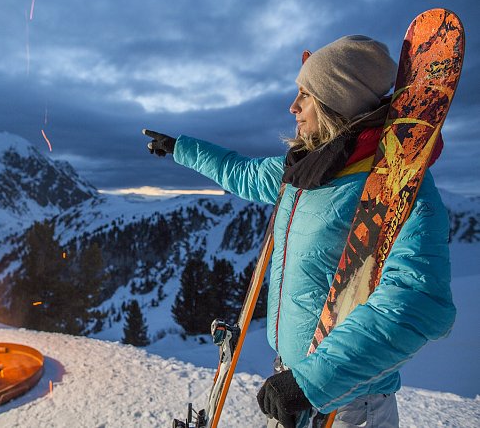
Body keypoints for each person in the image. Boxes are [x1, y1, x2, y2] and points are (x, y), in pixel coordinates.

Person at [143, 35, 455, 428]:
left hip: (348, 405)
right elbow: (244, 174)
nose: (293, 107)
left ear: (335, 101)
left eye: (305, 95)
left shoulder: (399, 184)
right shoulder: (305, 167)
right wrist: (180, 148)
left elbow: (419, 301)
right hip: (293, 388)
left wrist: (311, 382)